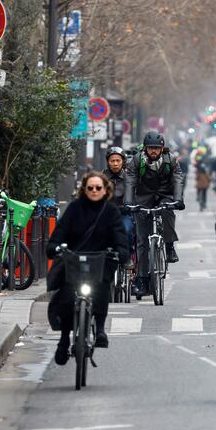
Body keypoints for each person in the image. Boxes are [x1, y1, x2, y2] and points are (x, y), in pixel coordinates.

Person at [46, 172, 130, 365]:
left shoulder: (110, 212)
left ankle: (99, 329)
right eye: (90, 188)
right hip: (75, 259)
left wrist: (120, 252)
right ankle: (64, 339)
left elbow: (119, 235)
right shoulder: (74, 209)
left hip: (101, 260)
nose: (94, 191)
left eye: (98, 188)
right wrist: (54, 246)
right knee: (67, 295)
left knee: (102, 287)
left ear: (105, 190)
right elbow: (60, 231)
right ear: (84, 189)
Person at [125, 130, 186, 296]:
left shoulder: (170, 160)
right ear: (145, 148)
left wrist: (178, 200)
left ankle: (169, 245)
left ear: (162, 149)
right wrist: (128, 203)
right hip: (143, 198)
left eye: (156, 148)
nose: (153, 151)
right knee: (142, 241)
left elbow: (178, 178)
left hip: (164, 196)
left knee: (168, 212)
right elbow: (130, 180)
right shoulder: (137, 160)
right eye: (150, 148)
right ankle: (142, 280)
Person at [104, 147, 134, 255]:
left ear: (123, 162)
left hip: (124, 214)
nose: (115, 164)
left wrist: (129, 205)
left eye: (118, 161)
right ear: (108, 162)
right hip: (106, 215)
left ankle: (128, 255)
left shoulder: (129, 177)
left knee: (126, 231)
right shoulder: (102, 178)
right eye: (112, 161)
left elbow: (134, 194)